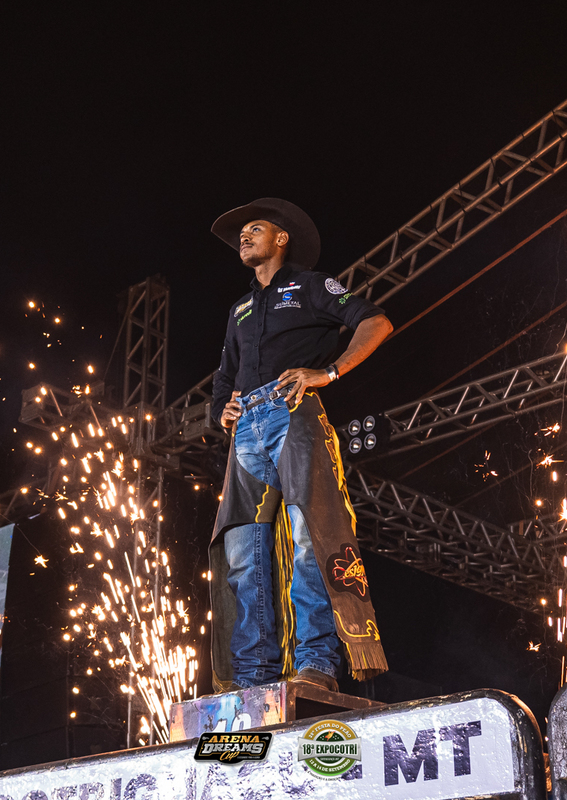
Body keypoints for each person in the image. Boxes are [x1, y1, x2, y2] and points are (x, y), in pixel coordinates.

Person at [208, 197, 393, 693]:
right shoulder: (239, 309)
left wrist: (329, 372)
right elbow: (224, 376)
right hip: (246, 427)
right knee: (241, 551)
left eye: (254, 228)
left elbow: (375, 321)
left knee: (311, 536)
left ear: (281, 238)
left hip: (293, 411)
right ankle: (254, 676)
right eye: (242, 233)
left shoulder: (311, 286)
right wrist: (221, 408)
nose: (244, 237)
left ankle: (316, 664)